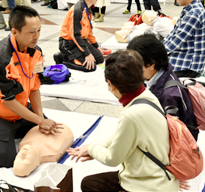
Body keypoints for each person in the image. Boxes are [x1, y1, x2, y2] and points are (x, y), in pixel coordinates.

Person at [67, 50, 179, 192]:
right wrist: (97, 147)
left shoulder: (131, 115)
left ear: (111, 84)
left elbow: (112, 159)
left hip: (148, 185)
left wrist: (91, 148)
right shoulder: (146, 95)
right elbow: (122, 134)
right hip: (155, 174)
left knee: (90, 186)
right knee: (90, 183)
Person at [0, 6, 63, 168]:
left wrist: (40, 119)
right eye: (31, 32)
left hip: (18, 106)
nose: (37, 37)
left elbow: (34, 88)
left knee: (51, 132)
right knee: (3, 157)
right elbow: (8, 102)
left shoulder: (36, 52)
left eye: (39, 30)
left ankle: (12, 129)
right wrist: (38, 120)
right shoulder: (0, 58)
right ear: (14, 32)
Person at [127, 34, 199, 141]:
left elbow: (170, 136)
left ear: (151, 64)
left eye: (136, 65)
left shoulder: (168, 96)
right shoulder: (162, 73)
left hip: (178, 147)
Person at [163, 0, 205, 78]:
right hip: (183, 57)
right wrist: (159, 47)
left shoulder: (194, 13)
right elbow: (174, 33)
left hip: (188, 65)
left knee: (150, 74)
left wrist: (156, 54)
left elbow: (177, 41)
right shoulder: (189, 8)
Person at [55, 0, 104, 72]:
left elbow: (88, 32)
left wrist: (96, 46)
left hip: (81, 41)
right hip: (68, 44)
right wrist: (87, 54)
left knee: (100, 59)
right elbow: (75, 35)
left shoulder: (87, 9)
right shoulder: (78, 10)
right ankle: (62, 59)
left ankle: (76, 56)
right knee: (90, 67)